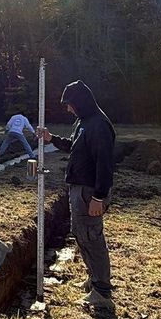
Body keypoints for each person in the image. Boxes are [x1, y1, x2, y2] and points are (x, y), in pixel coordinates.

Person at [38, 80, 116, 306]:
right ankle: (94, 279)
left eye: (70, 104)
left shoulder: (99, 125)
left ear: (80, 102)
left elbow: (104, 165)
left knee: (92, 238)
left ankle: (102, 293)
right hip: (79, 190)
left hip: (90, 192)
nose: (68, 109)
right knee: (82, 235)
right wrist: (51, 139)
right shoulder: (84, 123)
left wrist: (98, 197)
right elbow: (74, 145)